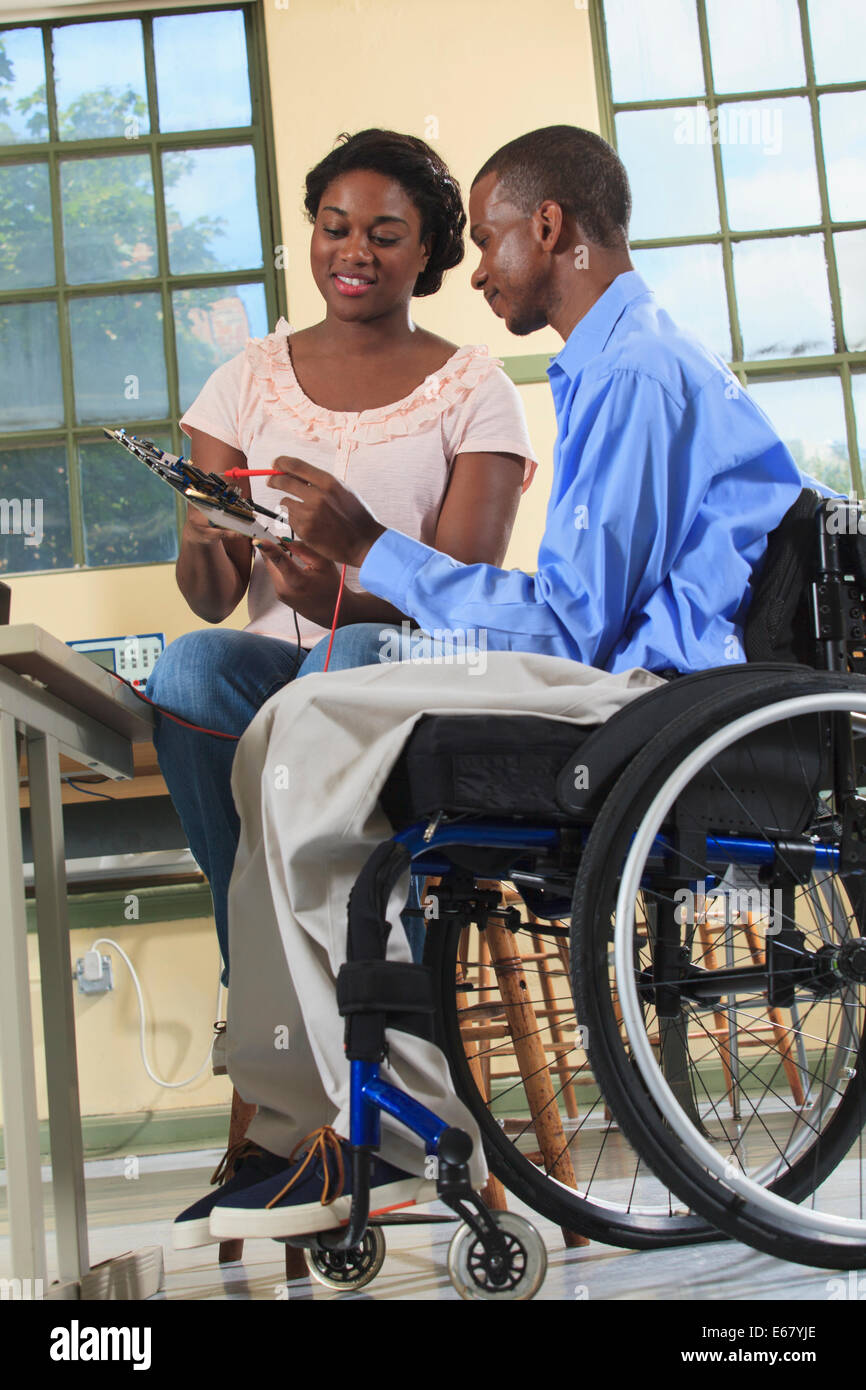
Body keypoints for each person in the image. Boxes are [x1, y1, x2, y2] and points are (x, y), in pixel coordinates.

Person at [175, 125, 814, 1247]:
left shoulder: (632, 369)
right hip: (641, 685)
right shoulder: (623, 359)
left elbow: (573, 624)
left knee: (309, 725)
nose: (478, 271)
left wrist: (371, 548)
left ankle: (383, 1126)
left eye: (484, 240)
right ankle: (339, 1113)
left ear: (548, 228)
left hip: (649, 702)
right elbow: (577, 603)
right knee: (291, 726)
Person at [146, 129, 537, 986]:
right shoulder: (245, 381)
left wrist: (340, 599)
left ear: (427, 251)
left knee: (347, 653)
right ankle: (259, 959)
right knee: (189, 669)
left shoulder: (475, 391)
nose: (353, 252)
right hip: (275, 677)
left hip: (404, 672)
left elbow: (466, 598)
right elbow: (211, 600)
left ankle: (368, 968)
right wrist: (202, 536)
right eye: (334, 228)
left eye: (384, 235)